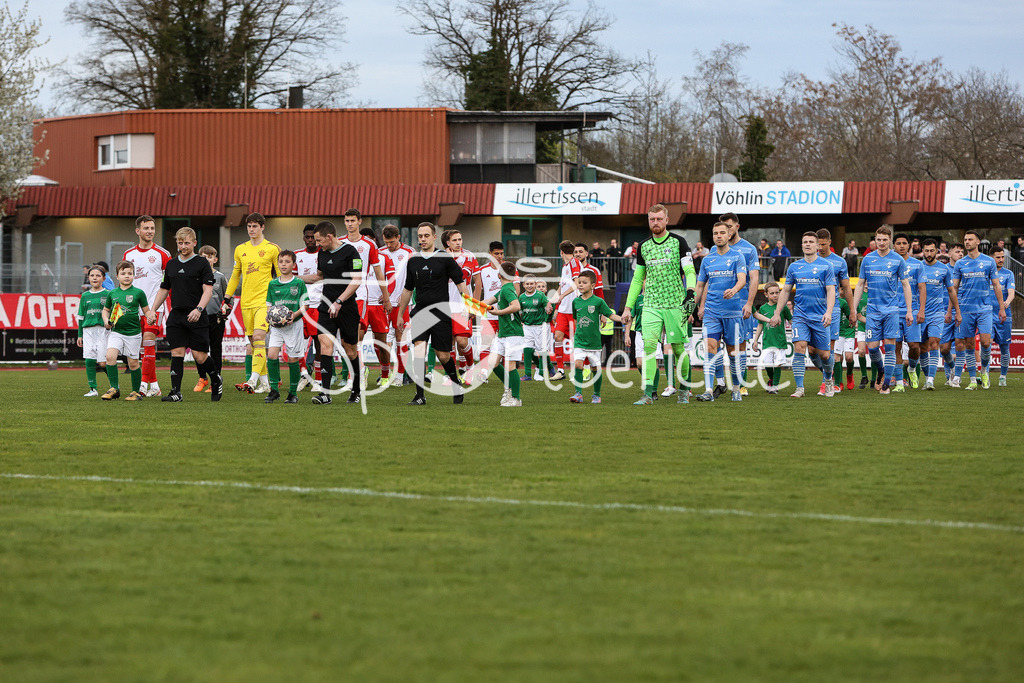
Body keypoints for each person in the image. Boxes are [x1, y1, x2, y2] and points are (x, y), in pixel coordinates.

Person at [620, 204, 696, 405]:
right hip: (651, 305)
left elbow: (689, 271)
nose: (655, 222)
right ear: (648, 220)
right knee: (649, 347)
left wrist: (690, 292)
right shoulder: (643, 246)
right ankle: (648, 394)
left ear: (666, 220)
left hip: (674, 304)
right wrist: (628, 307)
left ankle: (684, 389)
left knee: (679, 349)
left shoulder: (679, 242)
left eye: (659, 219)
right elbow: (637, 279)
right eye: (652, 219)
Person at [394, 222, 473, 406]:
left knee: (443, 355)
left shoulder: (444, 258)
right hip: (420, 311)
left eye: (426, 236)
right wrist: (400, 314)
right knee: (419, 350)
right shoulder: (413, 260)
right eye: (420, 236)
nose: (422, 239)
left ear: (434, 237)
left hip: (441, 313)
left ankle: (456, 384)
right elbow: (407, 289)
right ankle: (420, 395)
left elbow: (461, 283)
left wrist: (469, 306)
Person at [146, 228, 220, 403]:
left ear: (194, 243)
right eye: (180, 243)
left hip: (196, 315)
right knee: (177, 352)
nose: (183, 246)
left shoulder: (202, 263)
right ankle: (175, 392)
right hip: (177, 316)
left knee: (199, 356)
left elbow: (207, 290)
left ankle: (216, 379)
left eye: (187, 243)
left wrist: (199, 309)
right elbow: (164, 288)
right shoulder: (171, 264)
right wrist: (152, 310)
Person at [299, 220, 363, 405]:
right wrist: (293, 278)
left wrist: (340, 301)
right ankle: (325, 394)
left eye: (319, 240)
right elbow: (319, 277)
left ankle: (356, 389)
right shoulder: (322, 253)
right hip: (326, 307)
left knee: (350, 350)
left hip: (347, 308)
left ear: (329, 236)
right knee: (325, 344)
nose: (317, 244)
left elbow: (356, 280)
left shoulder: (351, 252)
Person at [850, 225, 913, 394]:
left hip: (892, 310)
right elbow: (860, 284)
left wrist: (908, 310)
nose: (881, 242)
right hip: (873, 311)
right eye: (878, 239)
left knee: (890, 347)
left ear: (890, 241)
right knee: (872, 348)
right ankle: (882, 370)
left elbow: (906, 286)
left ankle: (886, 384)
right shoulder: (868, 259)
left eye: (885, 240)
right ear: (875, 240)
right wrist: (854, 310)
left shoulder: (898, 260)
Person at [772, 232, 837, 397]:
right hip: (800, 316)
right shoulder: (794, 267)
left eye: (811, 242)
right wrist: (777, 313)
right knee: (799, 348)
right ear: (802, 245)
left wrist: (829, 312)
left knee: (824, 354)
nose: (807, 244)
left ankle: (828, 378)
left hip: (820, 316)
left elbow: (831, 290)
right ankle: (799, 388)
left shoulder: (826, 266)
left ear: (817, 246)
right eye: (805, 242)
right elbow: (786, 290)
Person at [224, 212, 280, 394]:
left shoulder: (272, 248)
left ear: (262, 227)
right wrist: (226, 298)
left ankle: (252, 379)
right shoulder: (241, 249)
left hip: (265, 302)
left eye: (255, 226)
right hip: (246, 302)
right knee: (255, 344)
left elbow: (280, 276)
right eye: (249, 226)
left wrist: (279, 301)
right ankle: (265, 383)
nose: (251, 229)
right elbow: (235, 275)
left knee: (258, 339)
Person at [693, 221, 746, 402]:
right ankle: (708, 390)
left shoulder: (738, 256)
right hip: (712, 312)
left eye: (722, 232)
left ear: (729, 235)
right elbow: (700, 285)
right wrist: (692, 304)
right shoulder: (707, 260)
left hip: (732, 312)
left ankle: (737, 388)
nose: (719, 236)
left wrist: (735, 290)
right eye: (715, 233)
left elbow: (742, 279)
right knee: (710, 349)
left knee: (733, 353)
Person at [122, 216, 172, 397]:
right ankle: (155, 386)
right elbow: (125, 282)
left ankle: (143, 385)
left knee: (149, 342)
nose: (150, 231)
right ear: (138, 231)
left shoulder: (163, 254)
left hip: (153, 308)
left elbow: (169, 283)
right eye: (146, 228)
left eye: (152, 228)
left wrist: (169, 307)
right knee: (139, 349)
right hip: (132, 309)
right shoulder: (128, 255)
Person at [951, 230, 1006, 390]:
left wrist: (1001, 308)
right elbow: (953, 288)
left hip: (985, 309)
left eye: (970, 239)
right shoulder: (961, 263)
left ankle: (984, 371)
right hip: (966, 309)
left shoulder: (989, 261)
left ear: (978, 242)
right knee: (969, 344)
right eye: (965, 239)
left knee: (985, 342)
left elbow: (996, 285)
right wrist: (951, 311)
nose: (967, 242)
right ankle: (973, 380)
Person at [718, 213, 759, 396]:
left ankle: (740, 385)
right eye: (723, 226)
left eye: (730, 226)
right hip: (718, 306)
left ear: (737, 227)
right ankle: (719, 383)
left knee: (740, 346)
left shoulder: (749, 249)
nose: (726, 230)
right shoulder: (715, 249)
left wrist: (750, 303)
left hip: (740, 305)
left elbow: (754, 278)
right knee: (715, 345)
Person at [101, 261, 154, 400]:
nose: (126, 276)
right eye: (123, 273)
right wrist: (106, 321)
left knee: (133, 363)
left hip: (133, 333)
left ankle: (136, 392)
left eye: (130, 273)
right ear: (117, 276)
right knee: (110, 357)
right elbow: (105, 310)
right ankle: (114, 389)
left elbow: (146, 311)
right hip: (116, 332)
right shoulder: (112, 293)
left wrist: (150, 317)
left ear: (133, 275)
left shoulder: (138, 293)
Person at [569, 270, 623, 404]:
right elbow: (576, 320)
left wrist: (622, 319)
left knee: (594, 368)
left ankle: (596, 395)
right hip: (580, 340)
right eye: (579, 282)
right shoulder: (576, 301)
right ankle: (578, 393)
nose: (581, 285)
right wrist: (576, 334)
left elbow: (610, 315)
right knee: (578, 364)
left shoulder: (598, 301)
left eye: (584, 283)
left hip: (594, 342)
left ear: (592, 285)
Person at [811, 229, 854, 395]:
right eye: (818, 244)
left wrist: (852, 310)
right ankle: (829, 375)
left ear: (829, 242)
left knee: (828, 347)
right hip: (813, 309)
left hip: (833, 308)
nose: (820, 247)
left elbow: (846, 288)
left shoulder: (839, 262)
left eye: (823, 244)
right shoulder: (809, 261)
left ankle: (825, 383)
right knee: (813, 351)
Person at [264, 250, 309, 404]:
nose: (283, 264)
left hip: (294, 326)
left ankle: (292, 393)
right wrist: (269, 316)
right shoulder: (273, 283)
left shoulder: (299, 283)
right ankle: (274, 390)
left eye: (287, 261)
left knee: (292, 358)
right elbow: (269, 306)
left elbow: (306, 305)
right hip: (277, 327)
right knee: (271, 355)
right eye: (281, 261)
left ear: (294, 264)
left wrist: (293, 316)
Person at [918, 238, 960, 390]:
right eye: (926, 250)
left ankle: (930, 380)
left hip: (937, 313)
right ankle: (928, 376)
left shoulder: (944, 269)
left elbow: (951, 291)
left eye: (932, 250)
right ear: (923, 251)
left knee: (934, 344)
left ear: (937, 251)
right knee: (922, 348)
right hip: (920, 313)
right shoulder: (917, 267)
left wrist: (957, 312)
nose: (929, 253)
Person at [482, 261, 525, 407]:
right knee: (492, 363)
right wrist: (470, 304)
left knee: (510, 366)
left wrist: (498, 312)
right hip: (504, 333)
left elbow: (516, 306)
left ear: (499, 275)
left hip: (513, 332)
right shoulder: (505, 289)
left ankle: (516, 398)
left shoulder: (507, 290)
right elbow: (487, 302)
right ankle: (508, 389)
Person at [357, 226, 395, 388]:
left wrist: (387, 296)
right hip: (361, 303)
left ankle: (386, 373)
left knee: (380, 344)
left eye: (369, 239)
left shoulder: (384, 257)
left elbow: (392, 278)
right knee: (355, 340)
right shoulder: (355, 258)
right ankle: (361, 372)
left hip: (378, 306)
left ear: (374, 241)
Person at [444, 229, 480, 380]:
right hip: (445, 305)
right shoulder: (441, 257)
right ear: (448, 243)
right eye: (454, 240)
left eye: (460, 239)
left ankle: (470, 367)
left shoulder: (469, 256)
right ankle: (450, 375)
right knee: (449, 343)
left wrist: (474, 307)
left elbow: (475, 281)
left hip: (462, 306)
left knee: (462, 340)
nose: (458, 242)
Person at [382, 225, 415, 386]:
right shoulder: (380, 253)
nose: (389, 245)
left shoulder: (409, 253)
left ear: (399, 238)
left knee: (400, 339)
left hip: (403, 303)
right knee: (382, 340)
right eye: (386, 242)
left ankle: (400, 376)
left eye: (392, 242)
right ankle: (386, 373)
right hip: (384, 303)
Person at [891, 233, 925, 390]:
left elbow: (922, 287)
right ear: (894, 246)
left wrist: (921, 310)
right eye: (898, 243)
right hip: (892, 311)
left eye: (904, 243)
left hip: (912, 310)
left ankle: (911, 368)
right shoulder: (889, 263)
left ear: (909, 245)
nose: (902, 246)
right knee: (896, 346)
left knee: (913, 346)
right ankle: (899, 383)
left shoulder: (917, 265)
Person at [193, 245, 228, 393]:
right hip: (199, 317)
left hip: (216, 318)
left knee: (215, 348)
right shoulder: (195, 276)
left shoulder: (220, 277)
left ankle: (216, 378)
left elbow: (228, 298)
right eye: (203, 257)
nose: (207, 259)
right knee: (198, 349)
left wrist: (226, 310)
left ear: (215, 259)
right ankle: (202, 378)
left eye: (210, 256)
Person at [546, 240, 582, 381]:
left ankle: (580, 371)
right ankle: (560, 370)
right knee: (558, 337)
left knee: (577, 340)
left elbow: (576, 283)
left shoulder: (574, 263)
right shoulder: (565, 266)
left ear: (561, 252)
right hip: (563, 310)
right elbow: (561, 287)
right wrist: (552, 301)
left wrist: (561, 296)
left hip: (574, 308)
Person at [294, 224, 323, 392]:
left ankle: (318, 379)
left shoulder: (325, 254)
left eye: (314, 237)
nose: (311, 240)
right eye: (308, 237)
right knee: (298, 344)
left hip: (319, 304)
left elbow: (322, 278)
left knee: (319, 343)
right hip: (301, 305)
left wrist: (302, 278)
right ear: (304, 237)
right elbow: (293, 280)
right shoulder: (297, 255)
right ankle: (305, 375)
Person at [751, 281, 791, 393]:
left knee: (778, 363)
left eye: (777, 293)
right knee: (768, 364)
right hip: (767, 341)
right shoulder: (763, 309)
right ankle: (772, 379)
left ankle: (775, 386)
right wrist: (755, 340)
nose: (775, 295)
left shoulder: (783, 308)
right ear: (766, 295)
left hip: (780, 341)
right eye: (772, 293)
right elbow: (760, 325)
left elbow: (791, 321)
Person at [78, 265, 110, 396]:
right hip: (88, 331)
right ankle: (93, 389)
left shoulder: (108, 294)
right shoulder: (85, 296)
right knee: (89, 359)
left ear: (103, 278)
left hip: (103, 330)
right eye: (92, 275)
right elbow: (81, 317)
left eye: (98, 275)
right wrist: (80, 334)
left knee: (103, 362)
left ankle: (114, 385)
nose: (94, 278)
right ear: (88, 278)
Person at [990, 245, 1015, 387]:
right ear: (991, 258)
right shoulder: (987, 273)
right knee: (986, 344)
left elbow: (1011, 292)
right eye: (997, 257)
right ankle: (985, 373)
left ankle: (1003, 376)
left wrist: (1005, 303)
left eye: (1002, 257)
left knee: (1004, 347)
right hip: (987, 314)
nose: (1000, 260)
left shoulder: (1008, 274)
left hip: (1004, 314)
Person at [940, 243, 965, 381]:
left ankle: (955, 377)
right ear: (949, 254)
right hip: (945, 312)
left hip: (962, 312)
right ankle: (952, 368)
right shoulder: (943, 270)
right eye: (957, 251)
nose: (961, 254)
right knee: (944, 348)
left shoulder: (966, 269)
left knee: (960, 345)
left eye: (962, 251)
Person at [518, 276, 552, 381]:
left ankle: (541, 373)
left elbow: (549, 305)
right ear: (523, 285)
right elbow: (519, 311)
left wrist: (549, 310)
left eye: (531, 284)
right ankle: (527, 374)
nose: (529, 286)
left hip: (540, 326)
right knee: (527, 348)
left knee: (542, 350)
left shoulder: (540, 295)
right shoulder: (521, 297)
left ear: (535, 284)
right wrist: (520, 321)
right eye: (527, 284)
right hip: (527, 326)